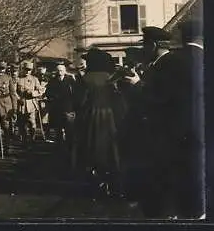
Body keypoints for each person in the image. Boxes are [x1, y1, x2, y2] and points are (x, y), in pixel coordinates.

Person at [124, 26, 178, 218]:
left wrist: (137, 85)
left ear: (153, 45)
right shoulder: (157, 63)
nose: (143, 50)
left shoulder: (169, 64)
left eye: (145, 45)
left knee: (161, 179)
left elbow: (162, 98)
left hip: (162, 131)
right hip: (152, 130)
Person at [167, 19, 205, 219]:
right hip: (204, 126)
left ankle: (187, 211)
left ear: (182, 36)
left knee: (183, 170)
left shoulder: (171, 60)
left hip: (177, 127)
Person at [74, 48, 121, 194]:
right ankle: (112, 181)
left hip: (90, 116)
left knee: (91, 147)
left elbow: (80, 101)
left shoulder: (86, 78)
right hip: (110, 116)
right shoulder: (110, 77)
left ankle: (96, 180)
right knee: (110, 149)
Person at [45, 64, 76, 149]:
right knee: (58, 127)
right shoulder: (52, 81)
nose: (59, 72)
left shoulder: (70, 80)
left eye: (61, 70)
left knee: (68, 127)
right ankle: (59, 145)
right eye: (58, 71)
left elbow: (75, 93)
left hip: (68, 107)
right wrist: (53, 97)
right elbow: (48, 93)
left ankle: (69, 144)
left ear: (65, 71)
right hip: (57, 108)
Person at [0, 61, 17, 156]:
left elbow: (13, 94)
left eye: (3, 68)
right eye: (0, 68)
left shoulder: (8, 78)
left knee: (6, 127)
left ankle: (7, 147)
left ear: (5, 69)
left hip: (6, 105)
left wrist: (14, 108)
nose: (1, 70)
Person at [15, 61, 43, 148]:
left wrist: (33, 93)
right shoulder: (18, 79)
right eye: (26, 69)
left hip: (31, 104)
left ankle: (32, 139)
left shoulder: (35, 79)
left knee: (32, 123)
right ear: (23, 69)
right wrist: (18, 98)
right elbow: (14, 91)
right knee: (22, 124)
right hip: (21, 104)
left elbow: (40, 91)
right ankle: (24, 141)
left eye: (29, 70)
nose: (27, 71)